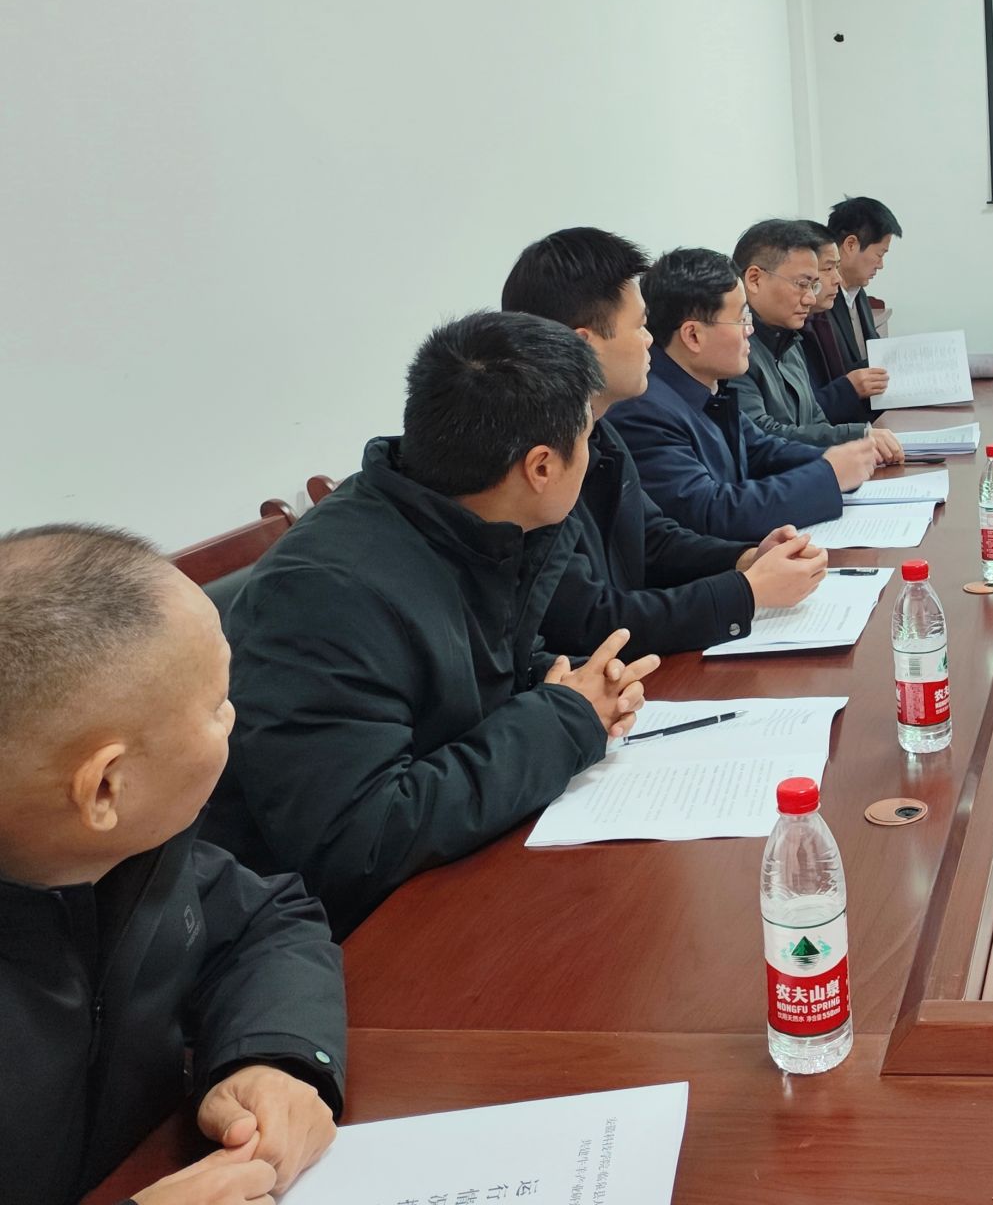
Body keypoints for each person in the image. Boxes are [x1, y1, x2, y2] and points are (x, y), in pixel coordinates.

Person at [203, 311, 658, 938]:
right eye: (586, 437)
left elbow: (466, 674)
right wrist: (562, 720)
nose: (593, 454)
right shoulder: (324, 595)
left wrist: (561, 683)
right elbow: (360, 841)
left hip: (456, 873)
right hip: (352, 936)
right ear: (541, 468)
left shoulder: (464, 522)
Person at [0, 525, 346, 1205]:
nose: (234, 716)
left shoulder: (129, 852)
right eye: (215, 705)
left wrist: (271, 1056)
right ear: (106, 788)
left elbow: (266, 922)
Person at [502, 227, 829, 656]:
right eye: (640, 326)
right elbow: (587, 621)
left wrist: (745, 558)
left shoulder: (599, 427)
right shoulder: (535, 462)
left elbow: (651, 539)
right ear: (582, 347)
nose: (650, 339)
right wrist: (746, 592)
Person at [611, 248, 877, 539]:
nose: (749, 330)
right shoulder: (645, 411)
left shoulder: (703, 388)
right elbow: (711, 512)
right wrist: (828, 475)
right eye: (740, 318)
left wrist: (837, 458)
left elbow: (761, 450)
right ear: (693, 335)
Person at [730, 219, 905, 462]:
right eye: (802, 284)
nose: (810, 299)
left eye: (813, 286)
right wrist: (858, 436)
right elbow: (762, 437)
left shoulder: (790, 341)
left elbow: (816, 420)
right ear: (754, 279)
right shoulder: (734, 349)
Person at [803, 226, 890, 424]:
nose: (837, 278)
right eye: (828, 269)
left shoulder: (856, 295)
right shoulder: (816, 315)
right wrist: (849, 388)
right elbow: (799, 418)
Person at [826, 195, 900, 371]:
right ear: (851, 245)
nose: (880, 265)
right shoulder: (821, 305)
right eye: (879, 254)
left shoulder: (858, 293)